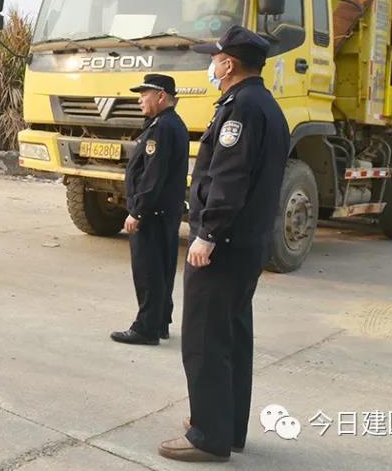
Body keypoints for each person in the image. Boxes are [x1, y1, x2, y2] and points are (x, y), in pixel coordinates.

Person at [158, 27, 289, 463]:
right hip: (246, 242)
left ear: (229, 64)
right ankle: (226, 426)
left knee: (205, 339)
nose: (210, 67)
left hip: (225, 244)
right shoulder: (263, 104)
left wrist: (208, 234)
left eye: (213, 60)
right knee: (232, 336)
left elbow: (229, 178)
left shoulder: (242, 109)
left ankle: (208, 436)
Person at [111, 73, 188, 346]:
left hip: (152, 214)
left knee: (148, 271)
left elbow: (153, 176)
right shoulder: (170, 124)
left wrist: (138, 211)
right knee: (162, 268)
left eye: (145, 95)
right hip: (164, 211)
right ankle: (160, 321)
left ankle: (146, 328)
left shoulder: (162, 128)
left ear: (161, 96)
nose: (140, 100)